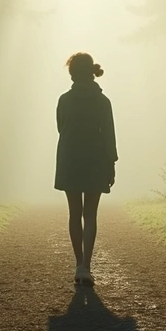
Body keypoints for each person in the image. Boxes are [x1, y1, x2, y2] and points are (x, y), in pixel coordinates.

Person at [55, 52, 117, 287]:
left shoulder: (64, 100)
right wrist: (111, 163)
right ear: (92, 72)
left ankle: (78, 263)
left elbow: (61, 128)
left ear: (72, 74)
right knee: (90, 214)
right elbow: (109, 135)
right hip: (96, 161)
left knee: (74, 213)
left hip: (70, 159)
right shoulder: (103, 101)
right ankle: (86, 267)